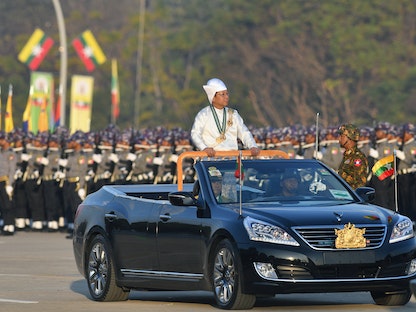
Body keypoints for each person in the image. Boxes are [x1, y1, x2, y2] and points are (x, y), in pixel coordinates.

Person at [191, 78, 260, 157]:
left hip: (232, 157)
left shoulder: (233, 114)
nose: (226, 97)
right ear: (213, 97)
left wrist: (253, 146)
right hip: (211, 159)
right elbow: (195, 134)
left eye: (227, 94)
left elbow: (244, 133)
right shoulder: (204, 114)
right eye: (222, 94)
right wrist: (204, 148)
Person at [337, 124, 368, 189]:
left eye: (342, 136)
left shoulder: (357, 157)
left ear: (350, 137)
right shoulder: (347, 155)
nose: (339, 139)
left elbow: (360, 183)